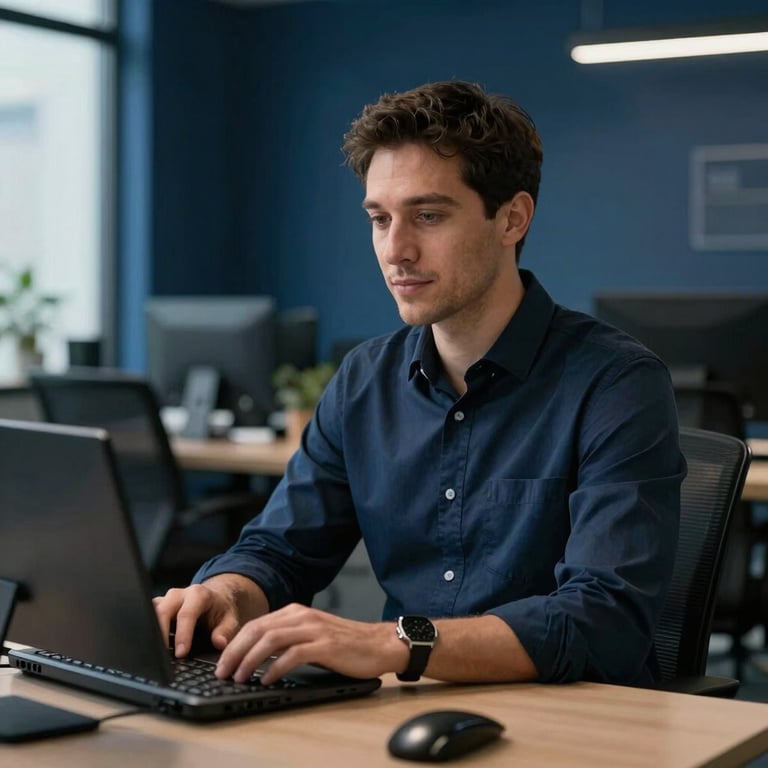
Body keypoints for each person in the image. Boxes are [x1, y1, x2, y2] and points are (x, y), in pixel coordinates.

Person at [154, 80, 685, 689]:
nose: (395, 250)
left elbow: (602, 619)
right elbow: (280, 550)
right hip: (409, 710)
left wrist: (394, 641)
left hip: (575, 721)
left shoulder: (616, 383)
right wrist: (225, 592)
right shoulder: (363, 380)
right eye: (380, 219)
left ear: (512, 218)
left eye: (428, 216)